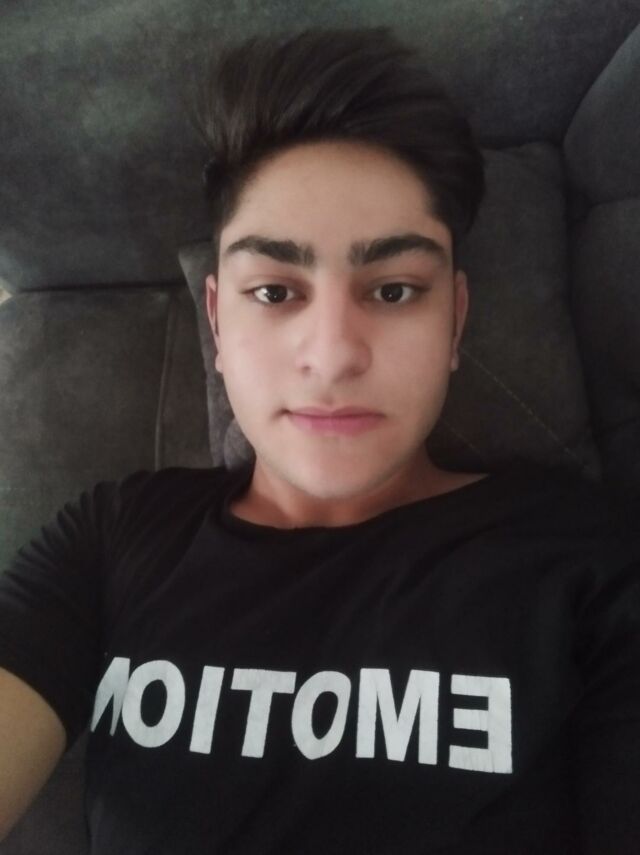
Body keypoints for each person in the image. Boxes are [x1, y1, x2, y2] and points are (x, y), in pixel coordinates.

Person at [0, 25, 639, 855]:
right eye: (274, 291)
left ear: (456, 321)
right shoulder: (111, 537)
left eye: (395, 289)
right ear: (218, 323)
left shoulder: (583, 558)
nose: (334, 355)